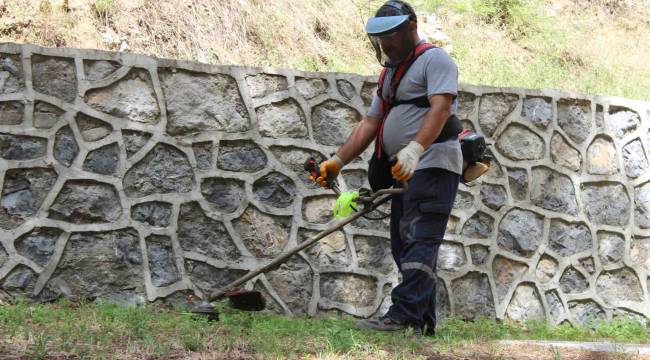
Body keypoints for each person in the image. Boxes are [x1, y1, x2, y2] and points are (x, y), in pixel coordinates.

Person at [310, 0, 461, 336]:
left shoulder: (435, 60)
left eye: (391, 36)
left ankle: (402, 316)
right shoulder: (391, 74)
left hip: (432, 163)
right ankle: (422, 324)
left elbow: (440, 110)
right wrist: (336, 161)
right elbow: (370, 122)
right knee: (405, 246)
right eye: (380, 39)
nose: (386, 44)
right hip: (403, 170)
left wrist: (415, 149)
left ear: (411, 27)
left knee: (420, 240)